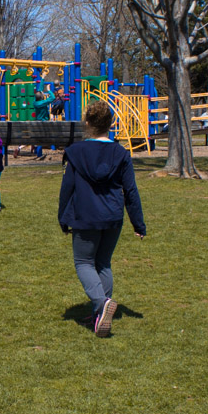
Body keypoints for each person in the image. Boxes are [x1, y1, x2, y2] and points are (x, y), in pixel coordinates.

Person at [58, 100, 146, 337]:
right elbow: (131, 191)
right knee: (103, 263)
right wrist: (138, 223)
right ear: (111, 123)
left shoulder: (75, 152)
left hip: (85, 216)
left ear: (87, 123)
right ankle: (100, 316)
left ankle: (101, 303)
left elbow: (67, 189)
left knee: (84, 262)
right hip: (112, 216)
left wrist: (62, 218)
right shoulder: (121, 153)